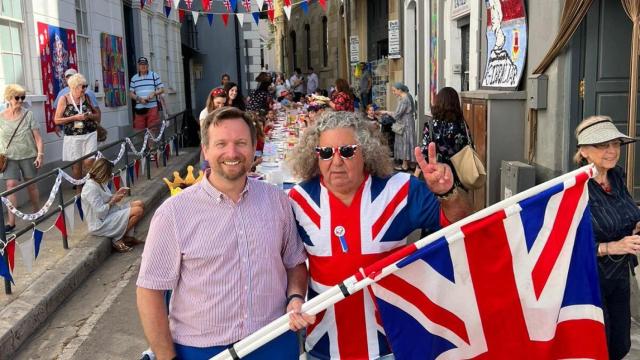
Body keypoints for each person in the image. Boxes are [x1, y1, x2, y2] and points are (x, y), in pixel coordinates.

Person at [287, 111, 470, 359]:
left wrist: (448, 192)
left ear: (366, 152)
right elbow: (291, 262)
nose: (336, 161)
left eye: (347, 151)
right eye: (327, 153)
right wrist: (295, 297)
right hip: (324, 343)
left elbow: (459, 224)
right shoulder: (298, 200)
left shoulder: (400, 190)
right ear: (315, 156)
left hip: (391, 344)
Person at [136, 107, 313, 360]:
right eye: (221, 143)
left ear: (254, 148)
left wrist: (296, 296)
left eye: (241, 143)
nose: (232, 153)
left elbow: (294, 262)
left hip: (274, 341)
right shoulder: (173, 213)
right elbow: (150, 291)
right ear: (205, 150)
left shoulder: (277, 201)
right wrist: (167, 357)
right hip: (202, 350)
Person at [574, 115, 640, 360]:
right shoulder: (574, 188)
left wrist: (635, 224)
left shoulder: (616, 176)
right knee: (598, 343)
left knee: (620, 343)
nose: (612, 151)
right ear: (584, 152)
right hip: (590, 280)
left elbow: (625, 211)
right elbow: (568, 243)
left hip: (620, 274)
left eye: (615, 144)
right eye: (603, 145)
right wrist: (611, 246)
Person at [0, 85, 44, 232]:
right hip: (9, 158)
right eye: (17, 97)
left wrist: (40, 154)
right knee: (10, 186)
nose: (20, 100)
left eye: (22, 97)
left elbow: (38, 138)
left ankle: (37, 211)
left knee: (31, 185)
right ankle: (11, 222)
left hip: (28, 155)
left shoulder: (28, 115)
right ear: (9, 98)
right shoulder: (1, 117)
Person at [81, 158, 145, 253]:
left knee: (140, 203)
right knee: (138, 211)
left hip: (110, 212)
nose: (111, 176)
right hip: (100, 222)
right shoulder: (90, 188)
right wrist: (113, 201)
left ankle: (127, 237)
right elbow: (100, 213)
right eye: (109, 174)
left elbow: (106, 198)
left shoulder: (100, 182)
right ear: (102, 173)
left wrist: (116, 195)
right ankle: (118, 238)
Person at [54, 73, 101, 191]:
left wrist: (89, 115)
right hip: (73, 137)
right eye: (83, 86)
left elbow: (97, 115)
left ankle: (92, 188)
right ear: (74, 87)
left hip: (89, 134)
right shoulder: (64, 99)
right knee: (77, 165)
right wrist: (74, 118)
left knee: (89, 162)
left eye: (85, 86)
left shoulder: (87, 97)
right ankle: (79, 191)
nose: (85, 89)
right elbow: (57, 120)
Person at [419, 87, 474, 184]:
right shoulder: (462, 125)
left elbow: (424, 153)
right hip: (459, 176)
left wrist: (416, 175)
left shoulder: (430, 126)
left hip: (438, 176)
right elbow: (470, 146)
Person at [380, 82, 416, 171]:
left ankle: (404, 165)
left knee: (405, 143)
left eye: (394, 90)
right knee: (409, 142)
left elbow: (397, 115)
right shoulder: (408, 96)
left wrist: (386, 112)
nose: (393, 92)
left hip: (404, 124)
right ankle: (412, 164)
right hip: (408, 123)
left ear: (399, 90)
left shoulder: (404, 99)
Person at [129, 57, 165, 133]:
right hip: (139, 109)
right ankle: (144, 145)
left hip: (152, 108)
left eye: (145, 64)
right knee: (139, 131)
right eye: (141, 64)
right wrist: (139, 99)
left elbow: (162, 89)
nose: (143, 66)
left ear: (147, 65)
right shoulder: (134, 78)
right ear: (138, 66)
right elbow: (131, 94)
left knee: (152, 130)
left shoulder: (154, 75)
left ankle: (151, 145)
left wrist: (154, 93)